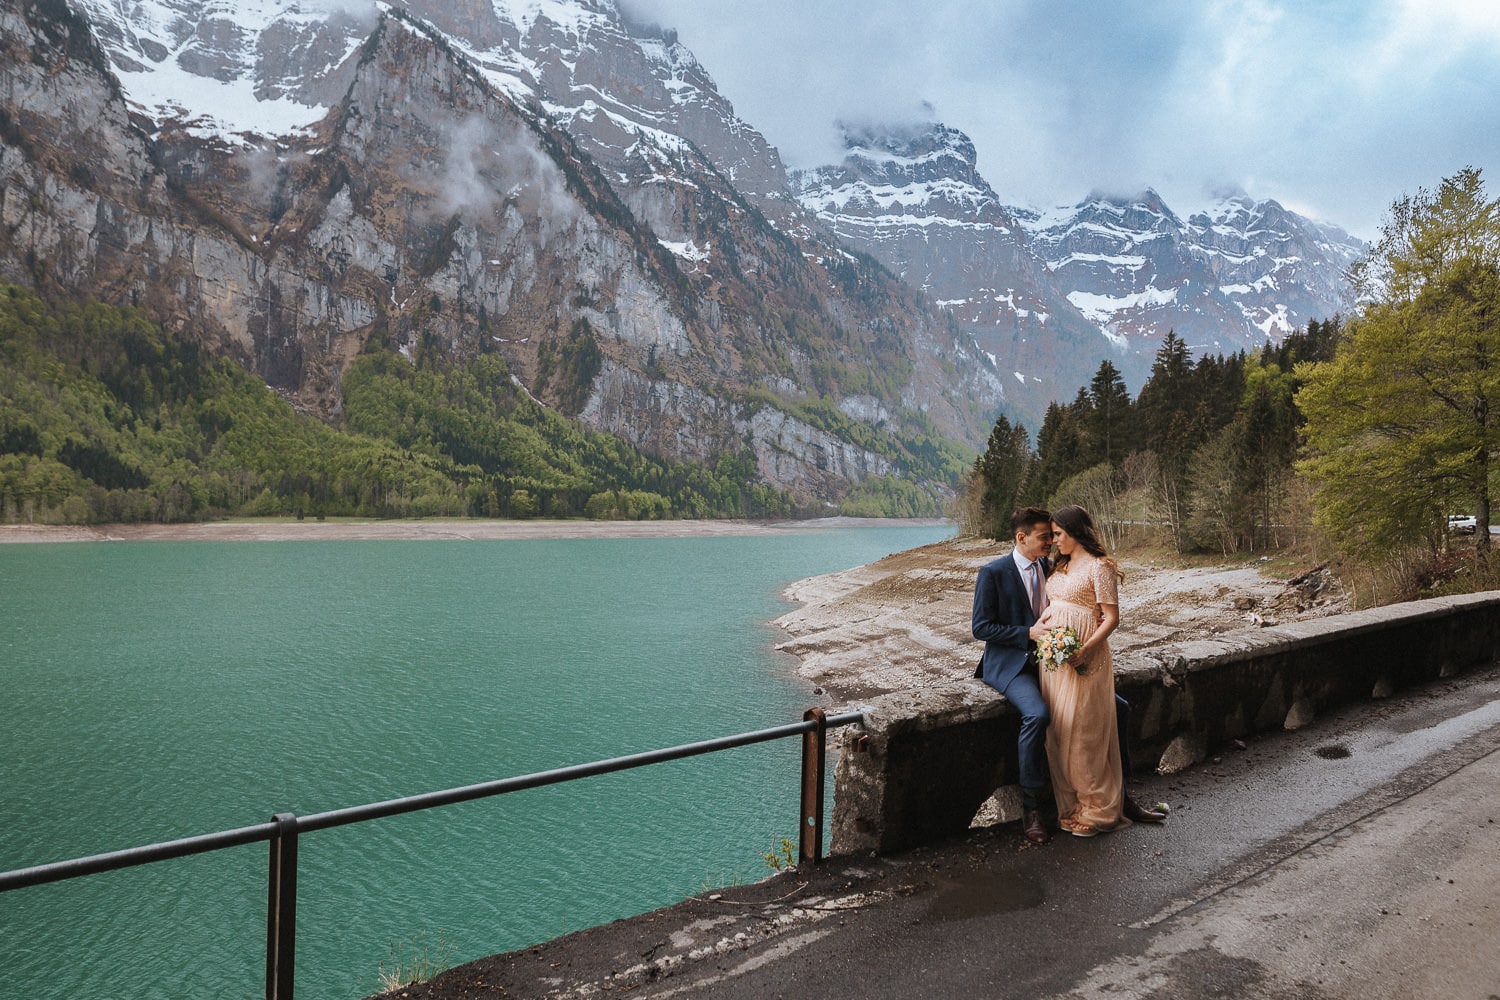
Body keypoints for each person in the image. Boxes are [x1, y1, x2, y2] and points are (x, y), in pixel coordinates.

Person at [1035, 504, 1130, 837]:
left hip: (1085, 655)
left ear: (1075, 532)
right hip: (1055, 659)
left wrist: (1085, 650)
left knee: (1083, 733)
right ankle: (1074, 803)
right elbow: (1053, 606)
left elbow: (1112, 617)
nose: (1054, 541)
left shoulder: (1098, 567)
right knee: (1059, 731)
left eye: (1058, 534)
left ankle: (1098, 807)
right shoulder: (1059, 565)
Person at [972, 506, 1057, 844]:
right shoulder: (993, 572)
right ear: (1022, 538)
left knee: (1114, 703)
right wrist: (1028, 634)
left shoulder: (1049, 567)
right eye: (1045, 537)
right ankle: (1032, 809)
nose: (1051, 541)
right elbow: (981, 627)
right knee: (1037, 715)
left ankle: (1118, 795)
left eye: (1052, 535)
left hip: (1051, 660)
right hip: (1009, 664)